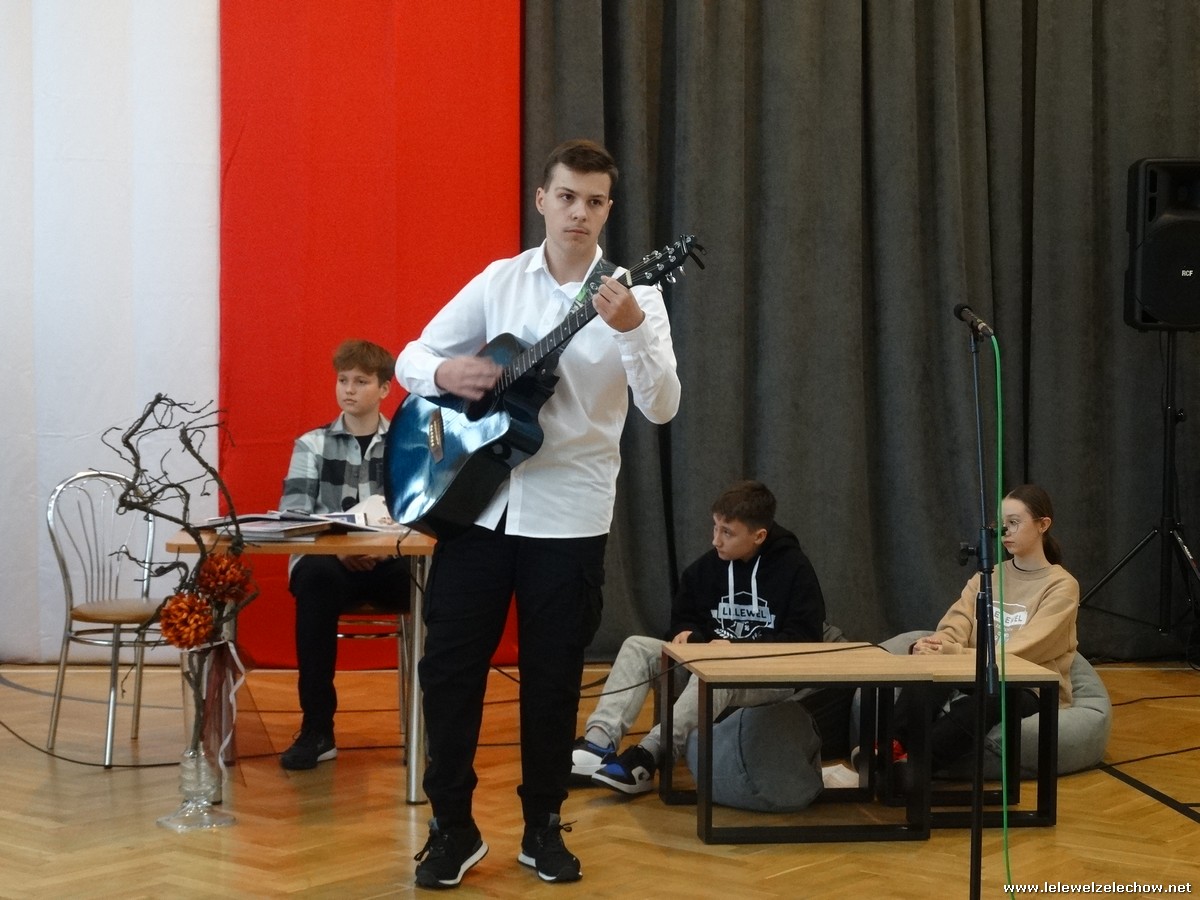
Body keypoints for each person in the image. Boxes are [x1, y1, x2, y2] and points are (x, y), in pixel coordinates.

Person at [395, 139, 680, 889]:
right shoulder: (499, 281)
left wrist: (632, 331)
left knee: (553, 679)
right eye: (567, 197)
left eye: (595, 201)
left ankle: (542, 826)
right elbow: (410, 357)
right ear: (542, 200)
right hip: (475, 508)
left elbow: (662, 406)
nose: (579, 212)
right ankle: (452, 829)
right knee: (449, 673)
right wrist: (446, 370)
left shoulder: (638, 298)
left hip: (570, 516)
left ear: (608, 210)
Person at [572, 480, 827, 795]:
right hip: (707, 666)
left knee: (714, 673)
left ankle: (649, 755)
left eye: (727, 532)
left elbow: (805, 641)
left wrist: (736, 649)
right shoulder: (707, 568)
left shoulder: (795, 570)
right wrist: (689, 634)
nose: (715, 540)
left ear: (759, 536)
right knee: (638, 646)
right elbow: (683, 617)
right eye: (715, 527)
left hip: (767, 677)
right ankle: (599, 743)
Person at [277, 339, 410, 770]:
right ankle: (317, 729)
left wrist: (380, 550)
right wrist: (341, 550)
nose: (348, 390)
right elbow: (295, 516)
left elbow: (418, 515)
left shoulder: (406, 444)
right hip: (329, 564)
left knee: (434, 581)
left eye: (361, 381)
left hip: (389, 561)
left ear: (385, 388)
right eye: (343, 380)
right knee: (315, 578)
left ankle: (428, 729)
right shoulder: (312, 444)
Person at [892, 483, 1079, 772]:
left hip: (1027, 684)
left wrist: (954, 654)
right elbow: (958, 621)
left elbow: (1026, 650)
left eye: (1014, 523)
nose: (1005, 532)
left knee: (987, 700)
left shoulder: (1062, 585)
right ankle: (889, 747)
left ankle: (914, 767)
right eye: (1001, 525)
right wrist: (938, 643)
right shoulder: (989, 575)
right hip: (975, 670)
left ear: (1043, 525)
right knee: (927, 676)